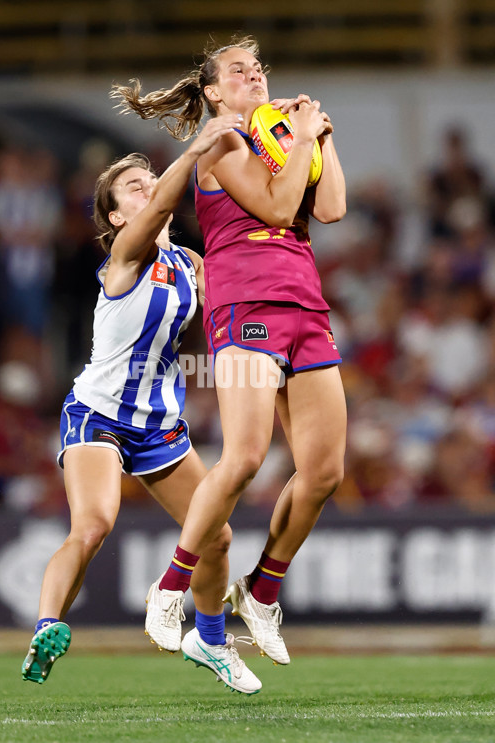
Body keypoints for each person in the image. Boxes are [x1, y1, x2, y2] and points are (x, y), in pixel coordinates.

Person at [113, 34, 347, 665]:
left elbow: (330, 209)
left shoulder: (281, 136)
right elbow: (274, 207)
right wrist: (300, 141)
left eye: (259, 68)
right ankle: (171, 586)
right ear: (213, 91)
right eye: (238, 71)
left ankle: (262, 592)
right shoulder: (219, 141)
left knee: (325, 471)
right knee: (244, 456)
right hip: (245, 301)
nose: (255, 75)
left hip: (304, 301)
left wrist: (320, 136)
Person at [21, 114, 262, 695]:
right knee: (95, 524)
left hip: (158, 425)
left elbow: (225, 325)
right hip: (98, 413)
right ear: (116, 216)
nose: (149, 188)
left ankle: (208, 639)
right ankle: (47, 626)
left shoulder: (189, 263)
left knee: (218, 537)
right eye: (135, 187)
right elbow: (160, 211)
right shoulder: (125, 256)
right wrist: (199, 144)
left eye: (151, 179)